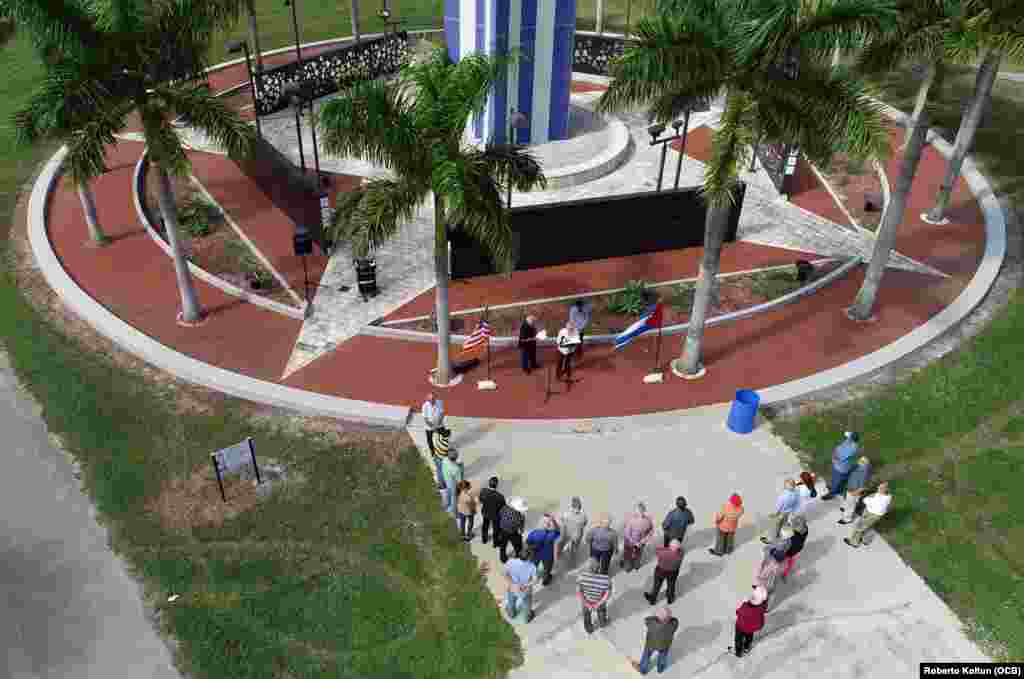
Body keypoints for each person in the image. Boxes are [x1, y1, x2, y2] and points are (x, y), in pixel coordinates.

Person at [633, 606, 679, 675]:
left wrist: (654, 617)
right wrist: (669, 618)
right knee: (662, 656)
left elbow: (646, 620)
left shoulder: (652, 623)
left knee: (646, 655)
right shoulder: (672, 625)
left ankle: (643, 668)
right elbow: (675, 621)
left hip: (651, 644)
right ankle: (660, 668)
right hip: (664, 646)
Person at [845, 482, 891, 548]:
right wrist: (874, 495)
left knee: (859, 527)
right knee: (868, 527)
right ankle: (865, 540)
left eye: (880, 488)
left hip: (870, 514)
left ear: (884, 490)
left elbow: (865, 500)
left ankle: (854, 542)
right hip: (877, 515)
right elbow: (876, 497)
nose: (878, 488)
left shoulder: (877, 499)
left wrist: (869, 497)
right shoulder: (888, 496)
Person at [577, 557, 612, 634]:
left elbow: (579, 592)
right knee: (601, 613)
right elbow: (607, 594)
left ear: (586, 568)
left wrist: (587, 603)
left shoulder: (581, 577)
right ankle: (602, 624)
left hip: (586, 602)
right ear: (598, 568)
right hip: (599, 602)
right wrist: (597, 604)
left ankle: (589, 629)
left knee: (586, 616)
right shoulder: (606, 579)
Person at [504, 546, 538, 624]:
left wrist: (512, 583)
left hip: (512, 588)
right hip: (525, 590)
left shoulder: (511, 562)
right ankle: (527, 618)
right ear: (529, 557)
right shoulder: (532, 566)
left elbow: (505, 573)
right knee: (527, 605)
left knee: (511, 602)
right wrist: (526, 585)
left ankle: (512, 614)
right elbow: (535, 580)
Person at [822, 431, 860, 500]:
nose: (847, 438)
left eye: (849, 437)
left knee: (837, 481)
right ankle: (837, 489)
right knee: (837, 479)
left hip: (841, 468)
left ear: (852, 439)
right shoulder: (850, 442)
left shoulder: (853, 448)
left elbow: (840, 456)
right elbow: (839, 448)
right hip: (839, 466)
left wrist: (834, 457)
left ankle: (832, 493)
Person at [645, 539, 684, 605]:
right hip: (673, 572)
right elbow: (681, 550)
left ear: (670, 546)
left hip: (661, 571)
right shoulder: (680, 554)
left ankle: (653, 599)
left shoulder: (663, 552)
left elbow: (657, 550)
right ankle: (670, 598)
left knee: (656, 585)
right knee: (671, 585)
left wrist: (665, 548)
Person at [754, 536, 788, 610]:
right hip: (773, 585)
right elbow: (783, 572)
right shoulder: (783, 564)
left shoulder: (770, 564)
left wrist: (758, 581)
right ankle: (767, 608)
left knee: (762, 594)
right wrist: (783, 578)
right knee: (770, 595)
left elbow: (762, 574)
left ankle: (760, 604)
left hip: (765, 584)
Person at [526, 515, 561, 586]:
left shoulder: (534, 532)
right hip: (547, 556)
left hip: (535, 555)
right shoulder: (551, 534)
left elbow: (527, 542)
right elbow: (558, 531)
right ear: (549, 525)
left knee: (533, 566)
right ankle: (545, 580)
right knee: (547, 569)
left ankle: (531, 577)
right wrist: (553, 521)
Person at [761, 479, 799, 543]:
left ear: (787, 486)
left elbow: (779, 506)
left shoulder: (783, 496)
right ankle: (781, 536)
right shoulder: (796, 494)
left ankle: (771, 539)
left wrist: (775, 513)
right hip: (789, 513)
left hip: (781, 513)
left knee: (776, 525)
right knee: (784, 525)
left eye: (785, 485)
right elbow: (796, 504)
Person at [733, 586, 768, 657]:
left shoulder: (746, 606)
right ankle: (746, 647)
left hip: (741, 626)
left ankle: (738, 652)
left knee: (738, 639)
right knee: (749, 636)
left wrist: (743, 605)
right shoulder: (761, 608)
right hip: (751, 628)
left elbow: (738, 612)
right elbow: (761, 620)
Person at [421, 393, 446, 489]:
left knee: (443, 437)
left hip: (439, 425)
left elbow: (442, 414)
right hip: (430, 427)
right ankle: (433, 454)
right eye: (430, 400)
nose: (432, 401)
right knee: (430, 442)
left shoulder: (439, 402)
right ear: (428, 400)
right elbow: (425, 419)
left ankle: (443, 449)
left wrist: (438, 424)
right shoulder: (425, 406)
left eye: (433, 399)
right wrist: (432, 427)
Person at [622, 502, 654, 572]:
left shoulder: (648, 520)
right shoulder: (631, 520)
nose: (640, 512)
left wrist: (644, 540)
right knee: (629, 554)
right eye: (638, 511)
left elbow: (651, 531)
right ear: (635, 511)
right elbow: (627, 533)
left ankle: (634, 565)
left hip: (639, 543)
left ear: (644, 510)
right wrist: (636, 542)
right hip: (631, 542)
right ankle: (629, 566)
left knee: (637, 554)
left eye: (641, 510)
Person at [839, 456, 873, 525]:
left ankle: (847, 519)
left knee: (851, 505)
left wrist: (856, 492)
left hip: (854, 491)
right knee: (847, 500)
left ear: (865, 464)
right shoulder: (858, 467)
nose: (859, 462)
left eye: (862, 462)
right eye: (860, 460)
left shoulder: (864, 474)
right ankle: (844, 507)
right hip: (850, 488)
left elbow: (863, 486)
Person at [497, 496, 528, 563]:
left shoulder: (505, 508)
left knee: (503, 546)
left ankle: (503, 559)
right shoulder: (520, 516)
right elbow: (521, 526)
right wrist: (521, 531)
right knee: (517, 545)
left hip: (503, 529)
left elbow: (500, 514)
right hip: (512, 532)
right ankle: (518, 556)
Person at [559, 496, 589, 565]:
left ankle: (564, 557)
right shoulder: (583, 515)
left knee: (565, 545)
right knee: (573, 549)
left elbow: (562, 520)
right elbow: (585, 523)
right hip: (576, 535)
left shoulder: (566, 513)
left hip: (569, 534)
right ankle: (571, 561)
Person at [478, 476, 506, 545]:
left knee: (485, 525)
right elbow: (503, 507)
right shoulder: (500, 496)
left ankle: (484, 539)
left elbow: (480, 500)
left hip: (485, 512)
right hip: (495, 515)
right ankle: (495, 542)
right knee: (496, 529)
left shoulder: (483, 491)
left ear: (489, 483)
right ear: (496, 485)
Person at [782, 515, 808, 580]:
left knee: (789, 562)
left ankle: (785, 573)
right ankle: (785, 573)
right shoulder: (804, 529)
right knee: (789, 561)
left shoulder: (797, 532)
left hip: (793, 549)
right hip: (794, 549)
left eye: (798, 524)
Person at [441, 448, 464, 516]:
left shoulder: (445, 460)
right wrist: (461, 468)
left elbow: (450, 464)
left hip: (446, 479)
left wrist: (456, 464)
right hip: (453, 484)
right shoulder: (456, 469)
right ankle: (454, 512)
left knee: (447, 493)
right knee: (454, 498)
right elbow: (460, 480)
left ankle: (445, 505)